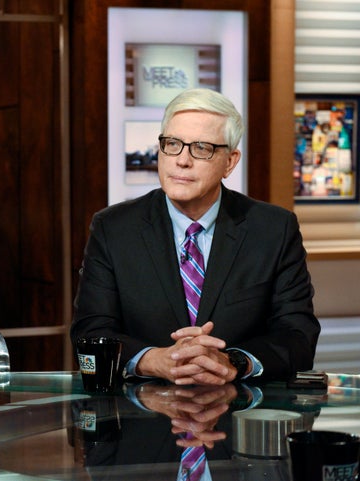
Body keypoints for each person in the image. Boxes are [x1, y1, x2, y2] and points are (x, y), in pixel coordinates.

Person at [71, 88, 320, 386]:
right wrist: (154, 360)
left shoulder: (274, 229)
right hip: (141, 419)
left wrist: (233, 362)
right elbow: (91, 332)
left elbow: (298, 335)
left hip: (239, 418)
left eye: (201, 148)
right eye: (172, 144)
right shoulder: (113, 228)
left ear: (230, 161)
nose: (182, 160)